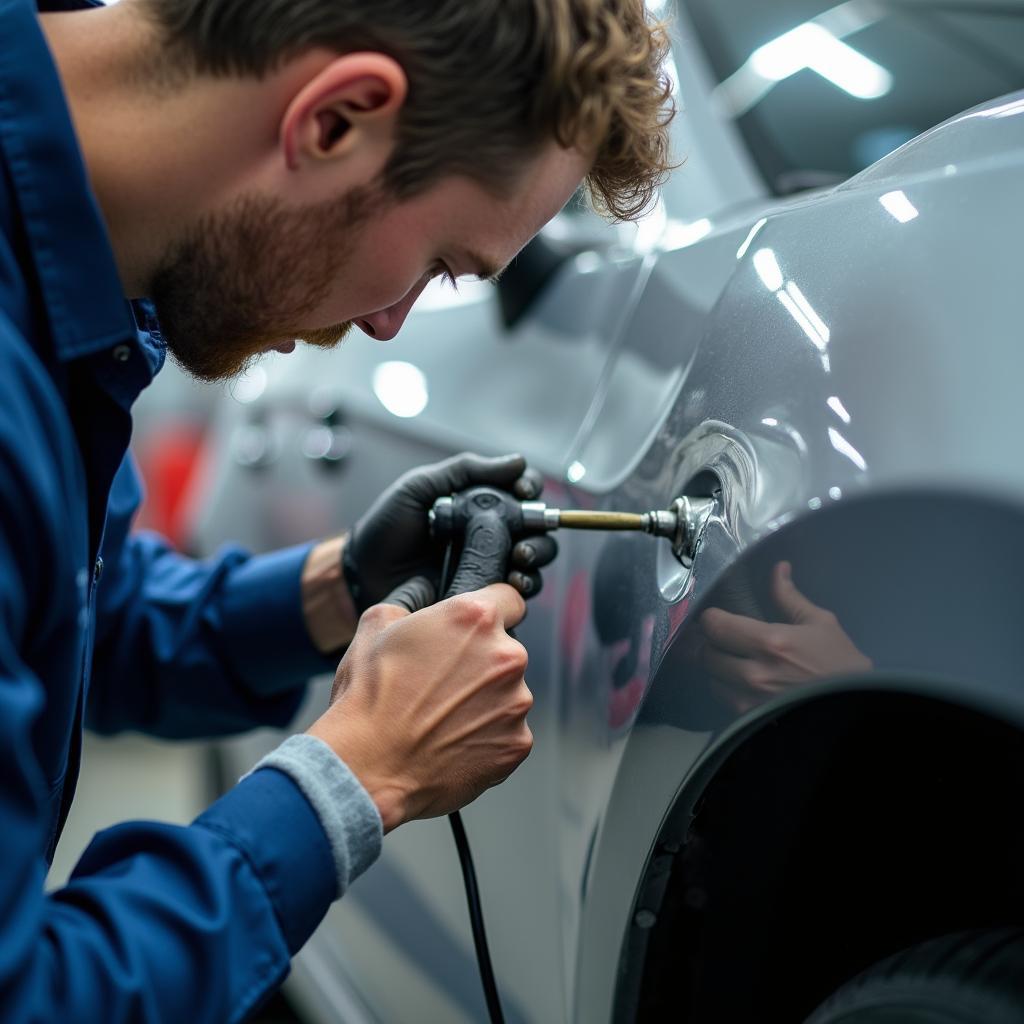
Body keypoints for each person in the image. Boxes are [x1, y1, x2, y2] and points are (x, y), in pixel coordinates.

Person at [0, 0, 673, 1018]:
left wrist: (339, 585)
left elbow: (75, 621)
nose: (388, 322)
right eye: (441, 260)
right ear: (336, 120)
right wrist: (355, 776)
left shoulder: (70, 292)